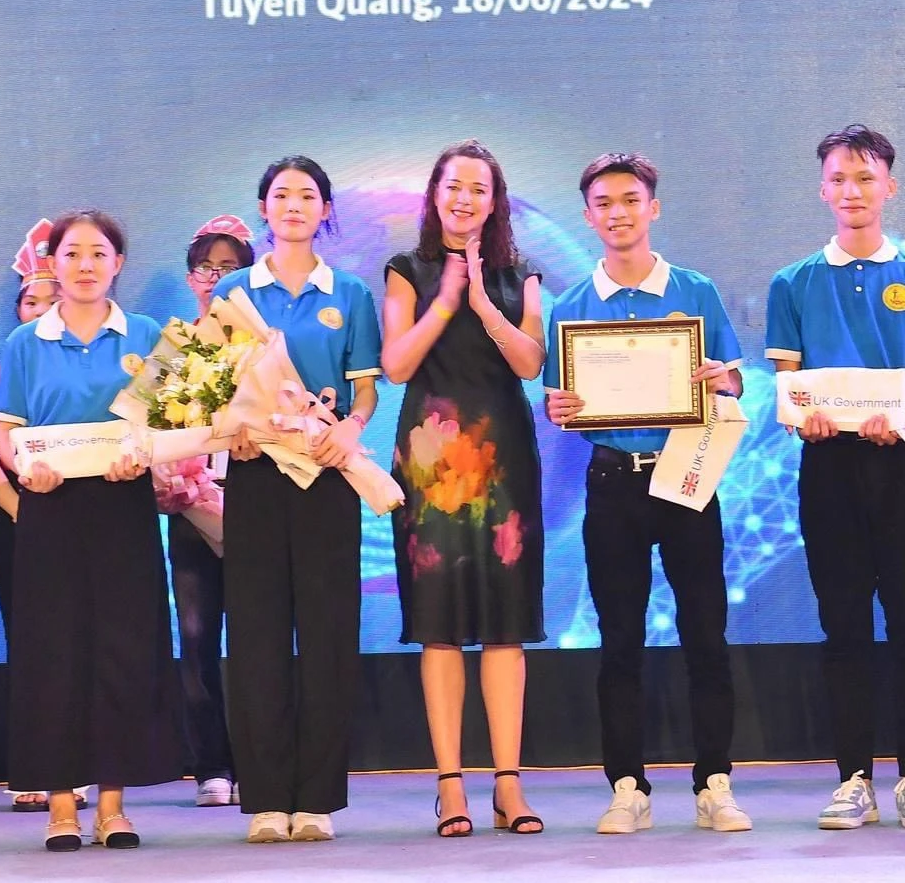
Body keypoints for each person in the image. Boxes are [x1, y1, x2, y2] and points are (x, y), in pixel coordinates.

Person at [542, 152, 750, 836]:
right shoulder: (572, 306)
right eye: (604, 203)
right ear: (588, 216)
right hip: (612, 482)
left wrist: (723, 380)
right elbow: (559, 403)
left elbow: (735, 381)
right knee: (619, 639)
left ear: (653, 207)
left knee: (706, 633)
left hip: (686, 475)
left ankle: (714, 782)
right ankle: (627, 785)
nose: (619, 213)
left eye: (631, 199)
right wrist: (560, 408)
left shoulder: (695, 290)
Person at [766, 126, 905, 830]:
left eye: (866, 178)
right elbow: (787, 385)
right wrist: (804, 416)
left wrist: (898, 410)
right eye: (840, 179)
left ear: (890, 187)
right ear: (823, 189)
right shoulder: (793, 282)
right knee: (842, 626)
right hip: (829, 466)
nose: (853, 191)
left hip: (903, 463)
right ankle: (852, 778)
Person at [0, 208, 182, 851]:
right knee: (54, 652)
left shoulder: (148, 334)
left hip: (123, 505)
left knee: (123, 649)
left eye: (99, 253)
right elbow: (6, 430)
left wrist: (145, 455)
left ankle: (113, 806)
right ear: (52, 263)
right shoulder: (26, 343)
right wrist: (27, 468)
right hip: (51, 508)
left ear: (118, 263)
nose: (85, 265)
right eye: (72, 253)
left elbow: (167, 421)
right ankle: (61, 806)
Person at [213, 157, 382, 844]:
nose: (293, 205)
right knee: (255, 637)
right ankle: (264, 797)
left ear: (325, 210)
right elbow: (211, 384)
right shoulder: (233, 291)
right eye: (281, 194)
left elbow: (364, 389)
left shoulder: (350, 293)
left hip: (326, 476)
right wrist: (230, 429)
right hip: (255, 476)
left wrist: (351, 428)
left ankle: (316, 798)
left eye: (307, 195)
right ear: (263, 208)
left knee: (327, 636)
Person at [381, 140, 547, 838]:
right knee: (440, 625)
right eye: (454, 185)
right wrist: (446, 301)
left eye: (479, 188)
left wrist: (482, 300)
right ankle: (450, 785)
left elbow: (531, 362)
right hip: (432, 463)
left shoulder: (521, 274)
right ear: (434, 193)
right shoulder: (405, 269)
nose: (465, 198)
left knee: (506, 624)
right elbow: (395, 365)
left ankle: (508, 783)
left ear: (495, 200)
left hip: (504, 458)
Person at [0, 220, 65, 813]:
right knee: (28, 640)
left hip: (87, 520)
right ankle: (33, 765)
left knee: (81, 641)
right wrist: (19, 507)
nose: (41, 309)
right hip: (21, 519)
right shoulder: (1, 373)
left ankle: (80, 765)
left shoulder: (94, 362)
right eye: (31, 300)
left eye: (52, 298)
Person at [156, 215, 252, 808]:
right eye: (205, 268)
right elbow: (151, 428)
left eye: (229, 268)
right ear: (191, 278)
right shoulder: (174, 346)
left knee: (258, 638)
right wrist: (171, 477)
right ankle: (211, 764)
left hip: (257, 507)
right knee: (196, 639)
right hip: (192, 511)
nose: (215, 278)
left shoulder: (266, 346)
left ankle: (260, 759)